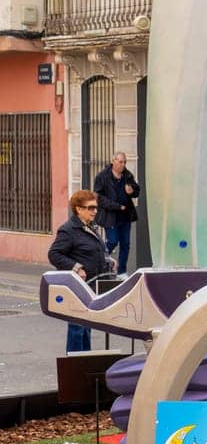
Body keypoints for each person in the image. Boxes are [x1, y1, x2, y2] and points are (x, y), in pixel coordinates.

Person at [47, 190, 115, 352]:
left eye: (96, 208)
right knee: (77, 327)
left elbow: (95, 250)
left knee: (86, 325)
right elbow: (54, 254)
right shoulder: (68, 230)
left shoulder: (90, 227)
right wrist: (76, 267)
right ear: (78, 209)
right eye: (90, 208)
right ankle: (75, 363)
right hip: (78, 286)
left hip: (91, 285)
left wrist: (108, 260)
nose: (95, 211)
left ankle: (84, 361)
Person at [93, 151, 140, 275]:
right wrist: (117, 206)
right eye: (120, 162)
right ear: (113, 161)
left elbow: (137, 190)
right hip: (110, 216)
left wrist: (132, 191)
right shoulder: (102, 176)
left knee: (125, 244)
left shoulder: (127, 175)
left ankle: (122, 271)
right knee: (113, 241)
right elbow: (99, 197)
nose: (123, 165)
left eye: (125, 162)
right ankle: (101, 257)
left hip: (125, 216)